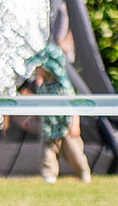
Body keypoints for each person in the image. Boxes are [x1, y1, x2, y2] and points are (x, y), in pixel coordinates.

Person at [25, 43, 92, 184]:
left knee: (74, 153)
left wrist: (75, 124)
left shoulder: (63, 86)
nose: (36, 70)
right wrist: (31, 118)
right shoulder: (42, 87)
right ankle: (49, 176)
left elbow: (73, 106)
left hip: (65, 129)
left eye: (39, 66)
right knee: (47, 153)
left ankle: (83, 174)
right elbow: (40, 105)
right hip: (49, 129)